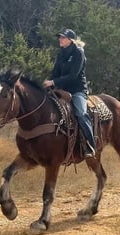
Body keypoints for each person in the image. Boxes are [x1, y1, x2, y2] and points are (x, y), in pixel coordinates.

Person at [43, 28, 96, 158]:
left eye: (63, 38)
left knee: (81, 114)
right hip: (61, 89)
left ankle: (90, 145)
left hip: (77, 90)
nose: (60, 40)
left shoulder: (78, 52)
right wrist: (48, 83)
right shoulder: (61, 53)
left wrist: (53, 82)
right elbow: (55, 73)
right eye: (59, 37)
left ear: (71, 40)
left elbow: (73, 75)